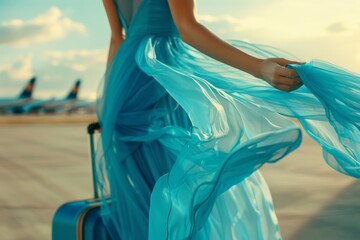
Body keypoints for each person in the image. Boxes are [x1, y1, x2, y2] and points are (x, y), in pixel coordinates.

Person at [96, 0, 360, 239]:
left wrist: (107, 106)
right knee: (180, 187)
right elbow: (186, 28)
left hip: (123, 82)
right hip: (162, 75)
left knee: (146, 189)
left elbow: (116, 38)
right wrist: (258, 67)